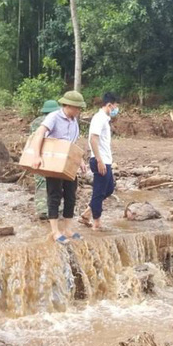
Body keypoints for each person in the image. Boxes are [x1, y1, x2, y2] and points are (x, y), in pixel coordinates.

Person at [30, 91, 87, 243]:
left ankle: (67, 228)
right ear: (68, 106)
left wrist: (80, 160)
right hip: (54, 161)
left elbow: (72, 143)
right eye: (77, 108)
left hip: (68, 162)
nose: (79, 111)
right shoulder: (54, 117)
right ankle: (55, 231)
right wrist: (37, 156)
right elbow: (39, 134)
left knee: (71, 195)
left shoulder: (74, 121)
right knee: (54, 195)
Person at [79, 93, 120, 230]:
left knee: (108, 189)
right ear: (109, 105)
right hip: (100, 160)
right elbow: (93, 139)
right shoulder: (99, 119)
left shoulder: (104, 119)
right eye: (115, 106)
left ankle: (87, 213)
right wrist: (99, 160)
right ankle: (97, 224)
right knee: (99, 192)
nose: (116, 110)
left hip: (105, 160)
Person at [30, 100, 60, 220]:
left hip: (36, 155)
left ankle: (42, 210)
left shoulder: (34, 123)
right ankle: (56, 209)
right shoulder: (54, 121)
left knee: (40, 182)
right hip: (52, 156)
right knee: (55, 183)